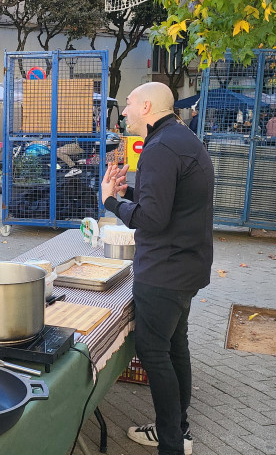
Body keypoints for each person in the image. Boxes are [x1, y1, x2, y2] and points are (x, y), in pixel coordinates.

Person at [100, 82, 214, 455]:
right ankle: (177, 430)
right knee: (174, 346)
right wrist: (126, 193)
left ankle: (171, 443)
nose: (125, 112)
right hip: (185, 265)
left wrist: (111, 203)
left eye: (129, 105)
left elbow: (151, 219)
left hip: (165, 270)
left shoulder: (160, 148)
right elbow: (167, 202)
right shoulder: (181, 138)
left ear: (146, 106)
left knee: (154, 353)